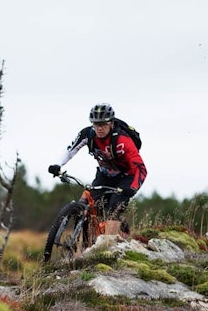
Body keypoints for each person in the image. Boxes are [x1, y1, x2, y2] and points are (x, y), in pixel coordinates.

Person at [48, 102, 146, 237]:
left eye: (103, 124)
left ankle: (107, 246)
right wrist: (57, 165)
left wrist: (133, 188)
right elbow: (70, 150)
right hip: (105, 174)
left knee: (114, 205)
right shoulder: (88, 134)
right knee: (84, 205)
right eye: (96, 124)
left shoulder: (122, 140)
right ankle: (83, 246)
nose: (99, 128)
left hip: (126, 177)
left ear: (111, 123)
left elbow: (141, 168)